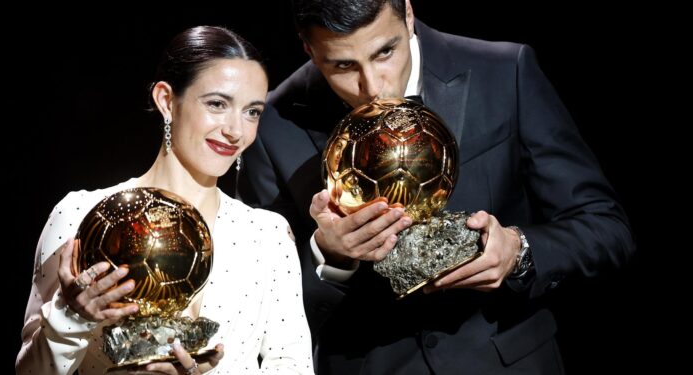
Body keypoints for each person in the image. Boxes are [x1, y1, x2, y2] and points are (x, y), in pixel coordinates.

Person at [230, 0, 635, 373]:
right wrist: (330, 258)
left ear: (407, 14)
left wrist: (519, 251)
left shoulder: (505, 70)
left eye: (385, 52)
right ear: (307, 49)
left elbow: (605, 226)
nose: (372, 86)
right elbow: (259, 310)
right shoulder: (272, 126)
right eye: (342, 66)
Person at [16, 26, 314, 375]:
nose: (236, 130)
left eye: (252, 112)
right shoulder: (81, 215)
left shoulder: (267, 235)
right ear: (166, 100)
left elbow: (292, 366)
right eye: (217, 104)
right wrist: (72, 315)